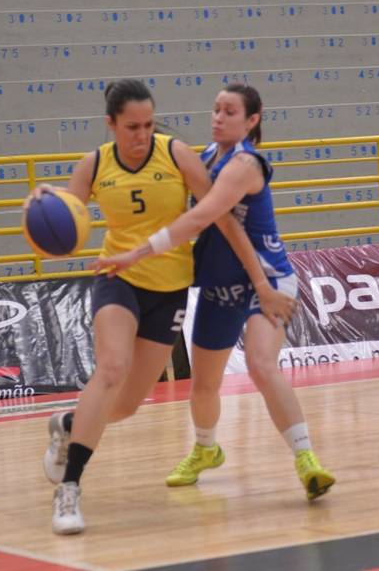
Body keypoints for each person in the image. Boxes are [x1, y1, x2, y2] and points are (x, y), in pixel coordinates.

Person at [32, 79, 295, 535]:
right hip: (118, 279)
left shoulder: (175, 155)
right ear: (111, 124)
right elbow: (67, 223)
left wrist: (259, 282)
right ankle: (69, 488)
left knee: (126, 405)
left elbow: (223, 221)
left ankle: (70, 424)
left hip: (169, 289)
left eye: (148, 125)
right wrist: (42, 204)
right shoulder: (94, 164)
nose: (141, 135)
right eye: (132, 127)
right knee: (111, 368)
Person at [95, 84, 336, 502]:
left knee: (261, 364)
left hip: (267, 281)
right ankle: (206, 449)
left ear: (252, 120)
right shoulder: (206, 156)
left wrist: (138, 252)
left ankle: (306, 459)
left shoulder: (244, 163)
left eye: (229, 112)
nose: (218, 118)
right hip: (221, 282)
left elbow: (201, 216)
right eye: (216, 109)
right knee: (205, 383)